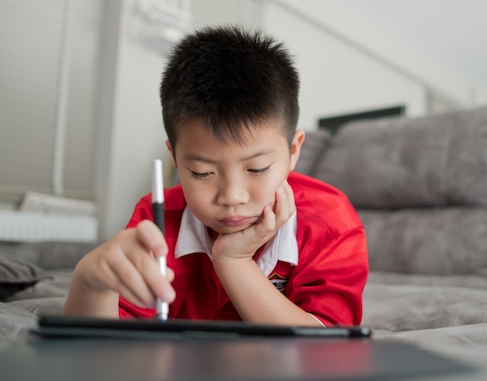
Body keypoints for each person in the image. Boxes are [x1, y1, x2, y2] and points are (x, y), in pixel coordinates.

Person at [64, 25, 369, 327]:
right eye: (202, 172)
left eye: (257, 168)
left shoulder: (330, 222)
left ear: (293, 151)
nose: (232, 196)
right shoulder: (156, 218)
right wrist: (90, 285)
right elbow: (106, 344)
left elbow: (328, 348)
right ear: (175, 158)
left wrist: (233, 262)